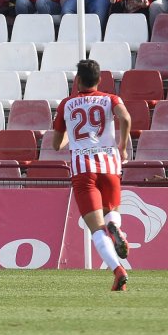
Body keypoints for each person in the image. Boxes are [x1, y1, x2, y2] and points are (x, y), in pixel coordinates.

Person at [52, 59, 132, 292]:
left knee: (97, 229)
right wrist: (123, 146)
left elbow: (57, 144)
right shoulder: (110, 99)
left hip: (83, 168)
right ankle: (116, 229)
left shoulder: (67, 104)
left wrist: (72, 138)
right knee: (112, 215)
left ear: (77, 80)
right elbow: (125, 118)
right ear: (99, 80)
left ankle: (118, 271)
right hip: (109, 164)